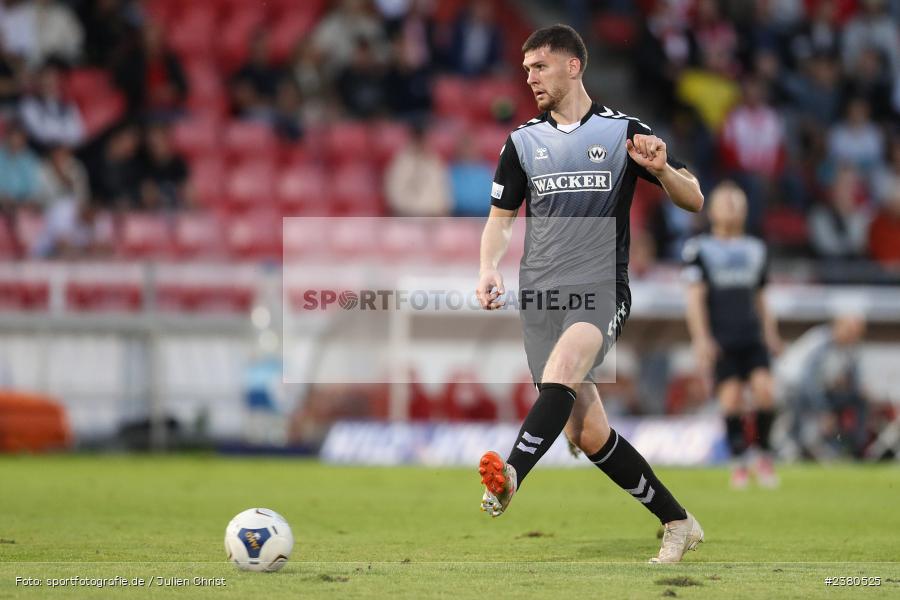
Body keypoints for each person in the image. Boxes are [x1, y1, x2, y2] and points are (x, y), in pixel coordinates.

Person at [475, 25, 705, 564]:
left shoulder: (624, 131)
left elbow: (694, 198)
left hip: (600, 289)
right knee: (590, 430)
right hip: (541, 298)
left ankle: (509, 476)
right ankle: (679, 522)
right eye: (526, 68)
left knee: (563, 370)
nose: (529, 77)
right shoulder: (523, 142)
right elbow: (500, 219)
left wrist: (661, 168)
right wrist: (488, 266)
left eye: (540, 67)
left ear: (574, 66)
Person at [682, 182, 782, 489]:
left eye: (736, 201)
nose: (731, 207)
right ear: (711, 210)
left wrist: (771, 333)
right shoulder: (699, 249)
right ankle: (739, 461)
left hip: (751, 334)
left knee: (766, 392)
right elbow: (695, 299)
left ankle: (763, 454)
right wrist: (701, 339)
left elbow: (762, 298)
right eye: (724, 201)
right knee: (731, 399)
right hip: (722, 336)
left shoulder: (756, 249)